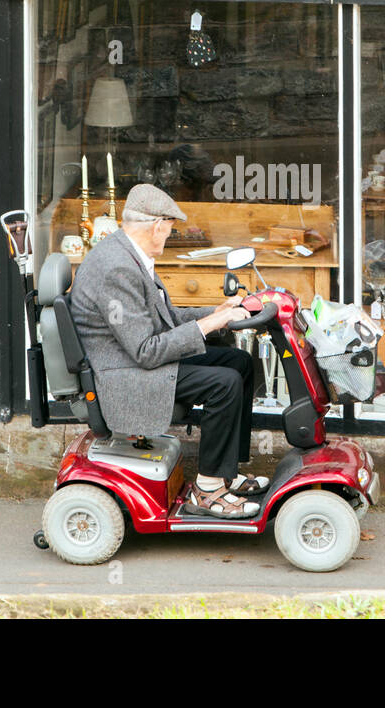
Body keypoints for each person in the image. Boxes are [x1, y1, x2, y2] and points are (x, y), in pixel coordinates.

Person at [69, 183, 268, 519]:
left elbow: (169, 319)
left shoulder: (130, 254)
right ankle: (207, 491)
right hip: (125, 375)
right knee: (225, 383)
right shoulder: (117, 268)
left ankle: (224, 473)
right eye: (170, 229)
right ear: (157, 226)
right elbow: (146, 350)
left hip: (134, 359)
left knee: (240, 362)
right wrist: (208, 325)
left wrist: (217, 313)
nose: (169, 235)